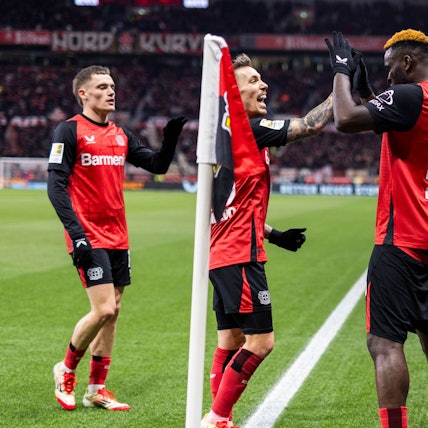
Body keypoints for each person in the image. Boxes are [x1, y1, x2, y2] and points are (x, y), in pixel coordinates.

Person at [201, 53, 333, 428]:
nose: (264, 85)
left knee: (230, 340)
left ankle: (218, 418)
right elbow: (309, 126)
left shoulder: (228, 138)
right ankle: (217, 418)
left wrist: (274, 235)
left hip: (222, 253)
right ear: (232, 93)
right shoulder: (246, 129)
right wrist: (342, 85)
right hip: (239, 255)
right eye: (254, 81)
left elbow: (234, 203)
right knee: (260, 343)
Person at [47, 65, 187, 411]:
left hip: (118, 236)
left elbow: (156, 165)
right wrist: (76, 234)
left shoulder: (120, 134)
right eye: (102, 86)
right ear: (83, 93)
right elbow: (56, 186)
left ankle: (97, 389)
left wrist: (168, 139)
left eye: (112, 86)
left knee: (114, 311)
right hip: (88, 235)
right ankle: (65, 369)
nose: (111, 91)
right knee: (103, 308)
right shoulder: (68, 131)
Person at [325, 29, 428, 428]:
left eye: (389, 70)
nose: (387, 79)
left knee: (385, 344)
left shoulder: (411, 95)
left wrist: (339, 72)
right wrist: (368, 89)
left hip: (401, 241)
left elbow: (345, 119)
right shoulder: (413, 101)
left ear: (407, 62)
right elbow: (395, 118)